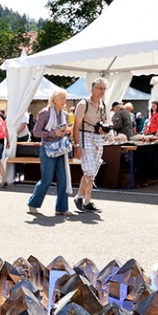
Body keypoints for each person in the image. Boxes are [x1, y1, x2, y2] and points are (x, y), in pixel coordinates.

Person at [27, 88, 74, 216]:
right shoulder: (45, 113)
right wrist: (53, 133)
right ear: (54, 100)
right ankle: (33, 204)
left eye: (65, 98)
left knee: (63, 179)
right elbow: (36, 132)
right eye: (61, 98)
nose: (64, 101)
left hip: (61, 148)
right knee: (47, 178)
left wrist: (67, 131)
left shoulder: (65, 114)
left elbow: (66, 128)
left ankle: (62, 208)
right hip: (47, 148)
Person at [71, 77, 107, 213]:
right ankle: (79, 196)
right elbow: (76, 125)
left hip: (97, 138)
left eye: (104, 88)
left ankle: (87, 201)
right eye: (100, 88)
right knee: (90, 170)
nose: (102, 91)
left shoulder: (103, 104)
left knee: (93, 170)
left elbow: (103, 122)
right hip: (85, 136)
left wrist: (103, 128)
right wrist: (77, 145)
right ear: (92, 89)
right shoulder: (83, 104)